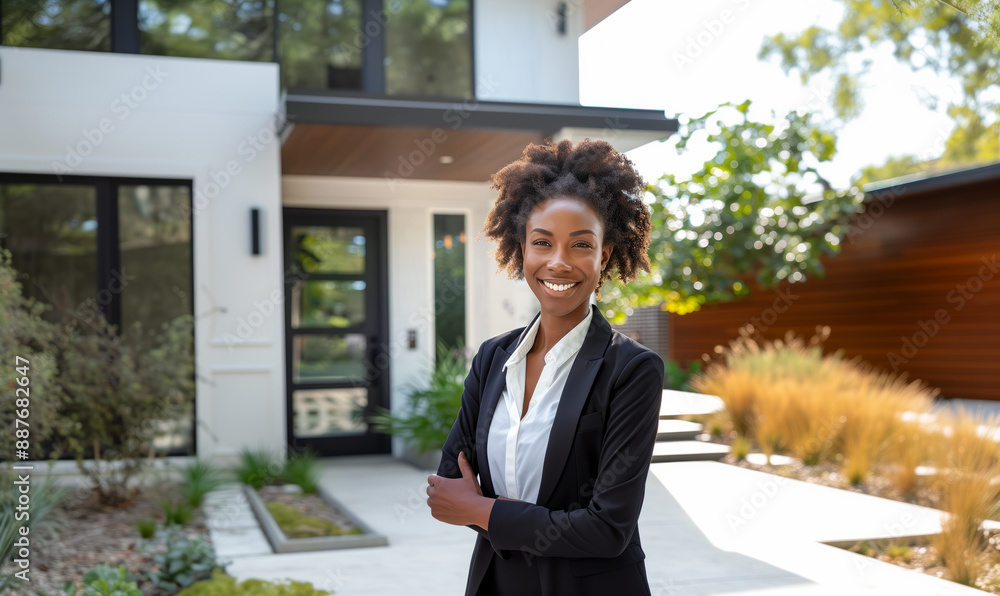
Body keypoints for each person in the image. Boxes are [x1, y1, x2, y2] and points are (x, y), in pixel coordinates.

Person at [425, 138, 665, 596]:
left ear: (604, 256)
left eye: (580, 245)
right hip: (496, 583)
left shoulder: (632, 371)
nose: (559, 262)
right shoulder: (493, 358)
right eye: (542, 242)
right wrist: (492, 512)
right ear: (522, 248)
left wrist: (486, 511)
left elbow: (608, 529)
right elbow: (449, 491)